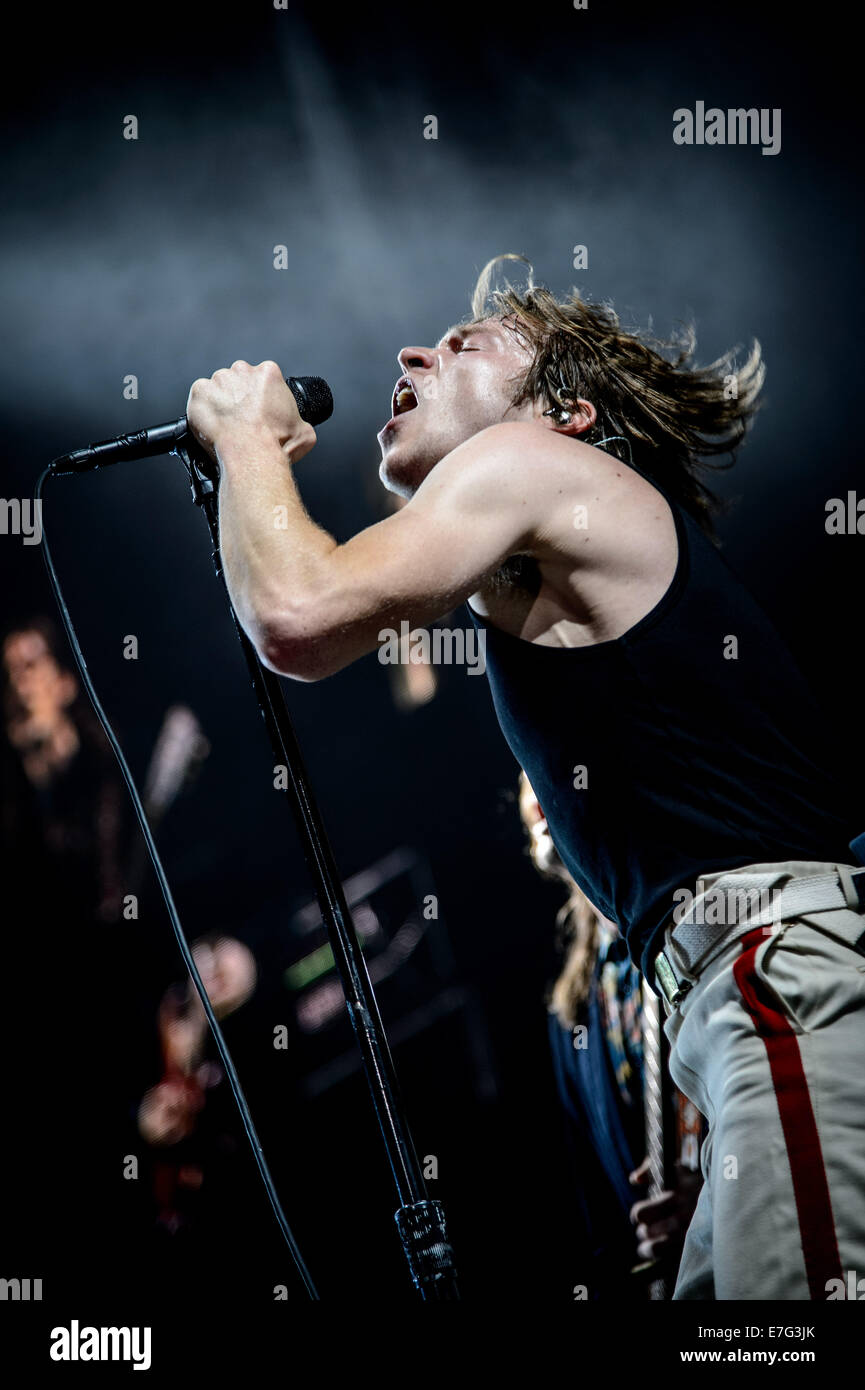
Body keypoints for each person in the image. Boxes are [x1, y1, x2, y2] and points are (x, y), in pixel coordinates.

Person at [185, 255, 864, 1299]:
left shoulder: (534, 463)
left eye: (468, 342)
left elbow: (298, 613)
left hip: (783, 983)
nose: (416, 351)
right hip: (742, 1018)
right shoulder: (544, 576)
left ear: (569, 413)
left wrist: (241, 433)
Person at [519, 772, 700, 1298]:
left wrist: (716, 1197)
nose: (534, 790)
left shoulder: (690, 918)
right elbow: (595, 1206)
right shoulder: (571, 1012)